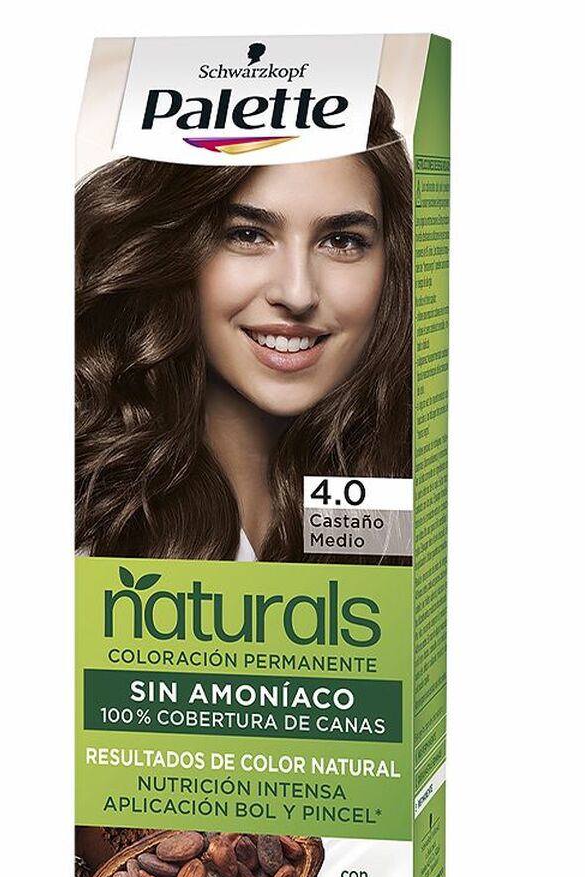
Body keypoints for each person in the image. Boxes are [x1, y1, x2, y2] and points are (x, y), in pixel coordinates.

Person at [76, 87, 411, 563]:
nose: (297, 293)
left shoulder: (402, 489)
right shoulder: (87, 509)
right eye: (248, 235)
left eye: (341, 241)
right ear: (175, 249)